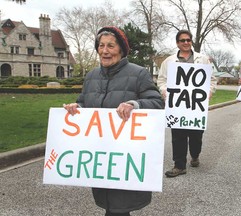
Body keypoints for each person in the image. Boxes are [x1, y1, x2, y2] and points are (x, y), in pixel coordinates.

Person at [64, 26, 164, 216]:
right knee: (111, 207)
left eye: (111, 46)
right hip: (101, 159)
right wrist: (76, 109)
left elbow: (157, 103)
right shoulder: (91, 76)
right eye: (101, 45)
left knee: (119, 209)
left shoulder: (139, 73)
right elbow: (84, 104)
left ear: (121, 50)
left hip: (126, 157)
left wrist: (134, 104)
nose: (105, 50)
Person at [157, 29, 217, 178]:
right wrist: (165, 92)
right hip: (177, 106)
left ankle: (195, 155)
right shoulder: (169, 61)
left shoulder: (203, 59)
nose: (185, 42)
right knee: (178, 136)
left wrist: (208, 92)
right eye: (182, 40)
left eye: (188, 40)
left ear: (191, 42)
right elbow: (161, 80)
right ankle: (179, 165)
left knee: (196, 136)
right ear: (177, 43)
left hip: (196, 106)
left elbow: (212, 80)